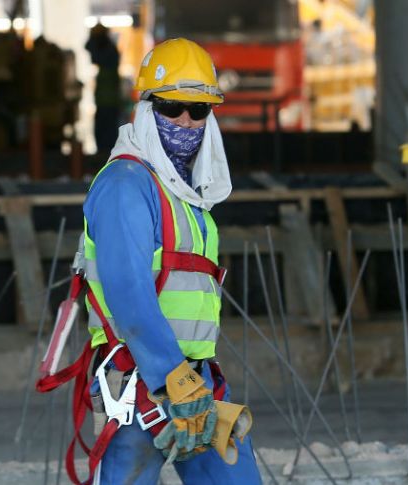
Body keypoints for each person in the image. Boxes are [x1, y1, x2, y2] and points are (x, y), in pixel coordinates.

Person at [81, 38, 262, 484]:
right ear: (146, 107)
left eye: (198, 111)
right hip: (145, 379)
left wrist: (188, 379)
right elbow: (128, 292)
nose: (185, 121)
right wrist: (170, 376)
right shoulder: (127, 184)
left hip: (194, 380)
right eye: (171, 107)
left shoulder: (183, 191)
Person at [85, 23, 122, 154]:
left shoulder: (107, 52)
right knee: (105, 132)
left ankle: (105, 155)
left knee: (105, 134)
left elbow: (92, 51)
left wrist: (94, 36)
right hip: (107, 100)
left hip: (108, 101)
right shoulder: (109, 50)